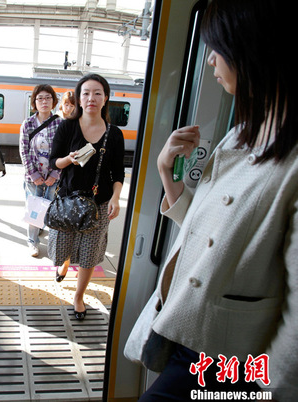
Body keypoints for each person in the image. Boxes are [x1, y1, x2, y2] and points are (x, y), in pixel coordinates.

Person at [127, 1, 297, 400]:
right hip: (186, 332)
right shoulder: (241, 134)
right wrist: (166, 172)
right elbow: (211, 231)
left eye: (217, 48)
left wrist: (266, 392)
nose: (210, 62)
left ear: (252, 49)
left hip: (233, 363)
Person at [48, 73, 124, 320]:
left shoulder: (114, 134)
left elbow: (118, 171)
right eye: (86, 93)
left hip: (98, 203)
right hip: (68, 200)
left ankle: (79, 296)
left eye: (97, 93)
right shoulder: (67, 126)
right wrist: (69, 158)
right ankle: (66, 262)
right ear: (79, 99)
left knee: (90, 253)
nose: (91, 98)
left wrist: (116, 197)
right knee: (63, 246)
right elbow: (54, 162)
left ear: (105, 99)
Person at [19, 84, 62, 257]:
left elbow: (64, 151)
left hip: (53, 177)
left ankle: (51, 242)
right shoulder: (28, 123)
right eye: (40, 98)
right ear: (34, 102)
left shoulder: (59, 123)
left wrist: (55, 174)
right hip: (33, 178)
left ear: (53, 101)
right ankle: (32, 241)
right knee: (34, 209)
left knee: (51, 210)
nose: (44, 101)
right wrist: (34, 175)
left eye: (48, 98)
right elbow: (23, 150)